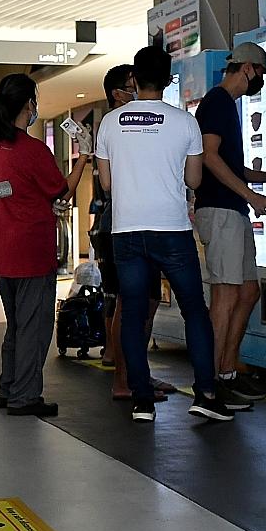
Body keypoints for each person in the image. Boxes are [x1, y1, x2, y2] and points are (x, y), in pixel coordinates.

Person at [95, 45, 240, 424]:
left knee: (132, 313)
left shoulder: (110, 123)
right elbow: (194, 179)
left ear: (133, 80)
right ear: (169, 79)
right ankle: (206, 392)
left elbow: (107, 185)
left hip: (126, 231)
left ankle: (141, 399)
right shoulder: (184, 122)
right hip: (171, 230)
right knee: (194, 308)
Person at [0, 74, 90, 416]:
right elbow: (61, 191)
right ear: (28, 105)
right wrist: (83, 159)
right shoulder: (32, 149)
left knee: (16, 324)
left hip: (4, 249)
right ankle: (24, 396)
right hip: (32, 249)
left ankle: (8, 386)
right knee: (34, 326)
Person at [194, 42, 266, 404]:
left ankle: (227, 372)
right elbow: (210, 157)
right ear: (247, 68)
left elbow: (226, 163)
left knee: (246, 291)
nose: (258, 81)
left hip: (232, 210)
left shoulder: (225, 105)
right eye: (259, 74)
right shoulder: (217, 102)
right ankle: (211, 384)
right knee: (226, 295)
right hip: (222, 211)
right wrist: (252, 195)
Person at [92, 66, 175, 404]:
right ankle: (124, 378)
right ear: (117, 93)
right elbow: (110, 183)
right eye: (130, 87)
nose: (137, 92)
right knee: (130, 301)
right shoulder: (115, 126)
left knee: (145, 301)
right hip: (125, 221)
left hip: (137, 220)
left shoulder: (129, 124)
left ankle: (135, 372)